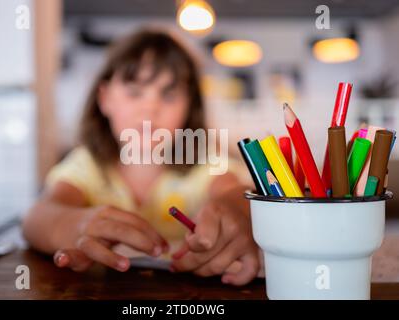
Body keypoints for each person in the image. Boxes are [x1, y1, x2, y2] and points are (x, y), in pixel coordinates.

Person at [23, 28, 259, 286]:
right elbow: (37, 217)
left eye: (168, 95)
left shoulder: (203, 164)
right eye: (134, 92)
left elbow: (238, 193)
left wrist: (236, 210)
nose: (150, 107)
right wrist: (74, 225)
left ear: (189, 107)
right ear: (105, 98)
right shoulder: (87, 166)